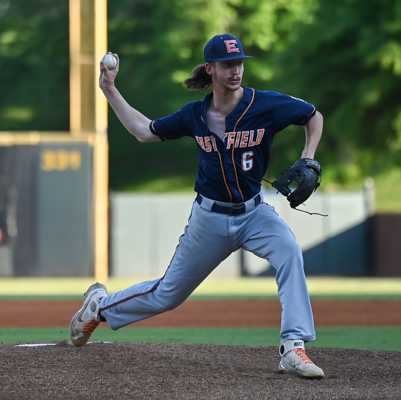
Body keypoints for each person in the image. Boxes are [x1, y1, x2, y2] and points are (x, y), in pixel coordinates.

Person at [70, 34, 324, 378]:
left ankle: (293, 348)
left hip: (255, 213)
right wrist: (109, 89)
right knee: (167, 296)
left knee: (290, 251)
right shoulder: (195, 115)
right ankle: (99, 307)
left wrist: (308, 157)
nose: (236, 70)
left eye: (239, 63)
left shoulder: (264, 104)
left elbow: (313, 115)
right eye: (227, 64)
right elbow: (144, 131)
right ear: (211, 69)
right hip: (210, 219)